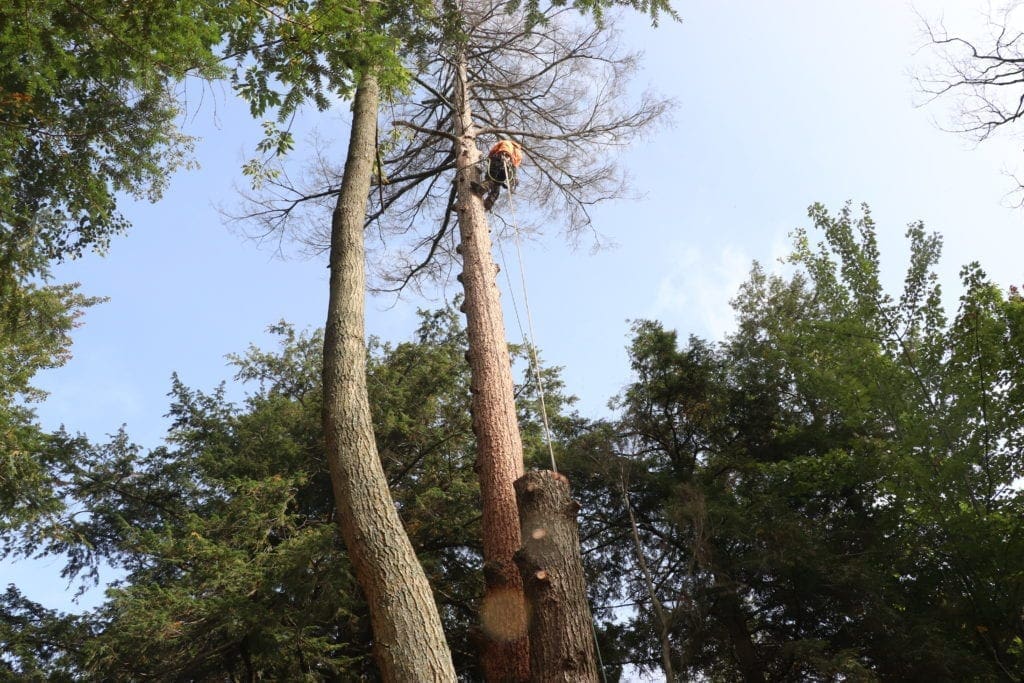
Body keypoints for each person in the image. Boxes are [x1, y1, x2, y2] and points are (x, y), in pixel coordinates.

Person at [472, 139, 523, 211]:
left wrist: (490, 158)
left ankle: (482, 188)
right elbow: (515, 165)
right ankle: (489, 203)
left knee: (491, 178)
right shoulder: (519, 153)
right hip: (508, 169)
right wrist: (512, 177)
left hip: (499, 160)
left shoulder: (506, 142)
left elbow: (494, 150)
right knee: (497, 183)